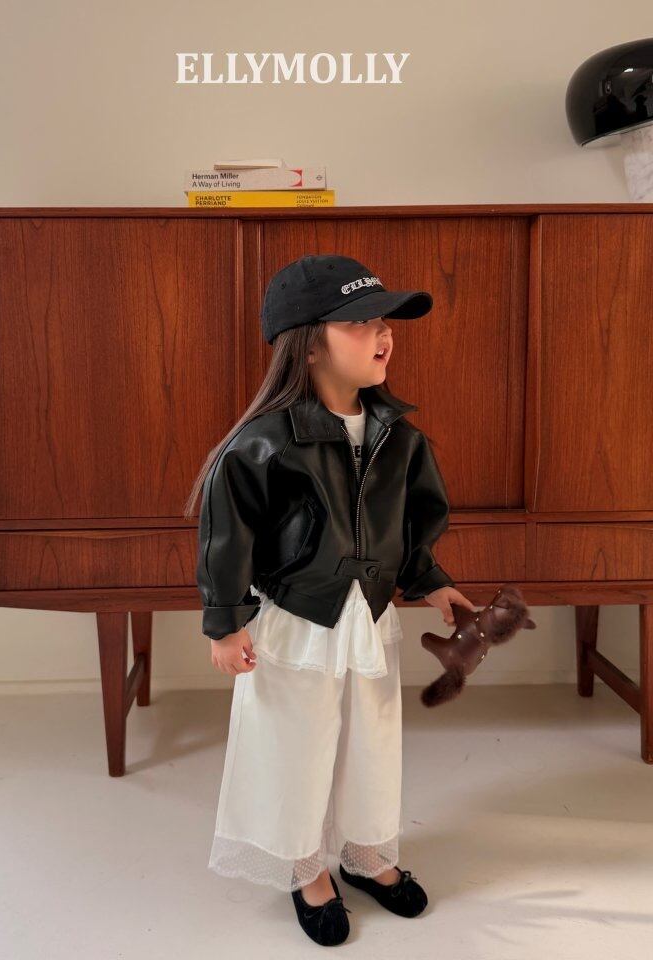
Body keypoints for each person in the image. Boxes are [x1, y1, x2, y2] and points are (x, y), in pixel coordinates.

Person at [185, 254, 477, 946]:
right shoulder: (261, 446)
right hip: (297, 621)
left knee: (371, 739)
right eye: (361, 323)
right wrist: (226, 622)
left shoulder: (399, 437)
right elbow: (227, 536)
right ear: (309, 343)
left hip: (368, 619)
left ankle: (368, 853)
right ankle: (305, 866)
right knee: (295, 744)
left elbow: (411, 523)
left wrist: (430, 580)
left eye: (386, 323)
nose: (384, 335)